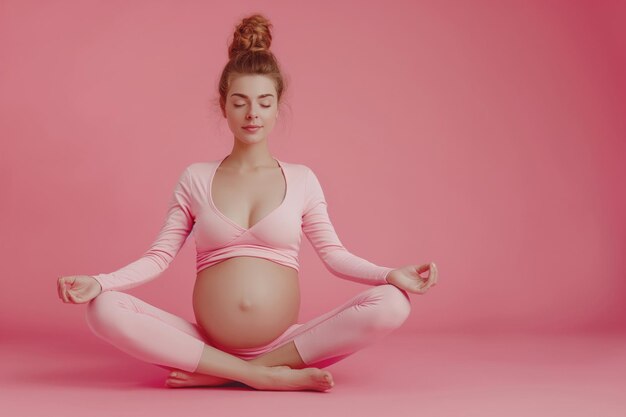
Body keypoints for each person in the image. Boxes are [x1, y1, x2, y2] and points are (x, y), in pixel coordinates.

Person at [56, 13, 438, 392]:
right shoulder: (196, 177)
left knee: (392, 302)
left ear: (276, 106)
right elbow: (159, 256)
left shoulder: (302, 179)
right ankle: (259, 375)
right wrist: (99, 282)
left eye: (264, 102)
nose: (252, 113)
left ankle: (233, 372)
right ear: (223, 106)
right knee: (104, 308)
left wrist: (390, 274)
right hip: (202, 344)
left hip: (285, 343)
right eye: (240, 102)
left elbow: (336, 256)